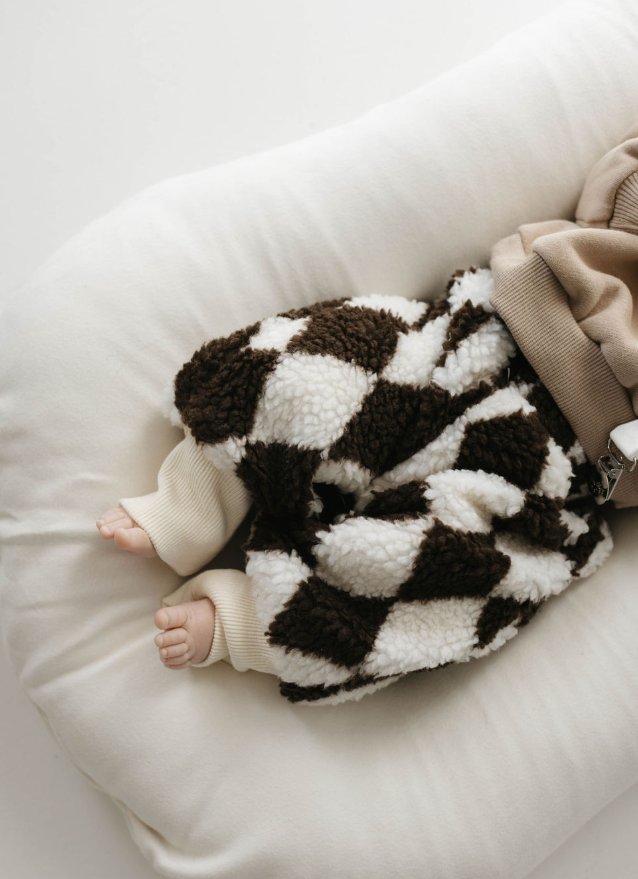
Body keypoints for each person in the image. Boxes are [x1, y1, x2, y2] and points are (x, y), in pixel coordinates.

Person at [96, 120, 638, 705]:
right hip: (481, 339)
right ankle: (206, 493)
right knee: (329, 355)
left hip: (563, 470)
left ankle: (270, 619)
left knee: (473, 573)